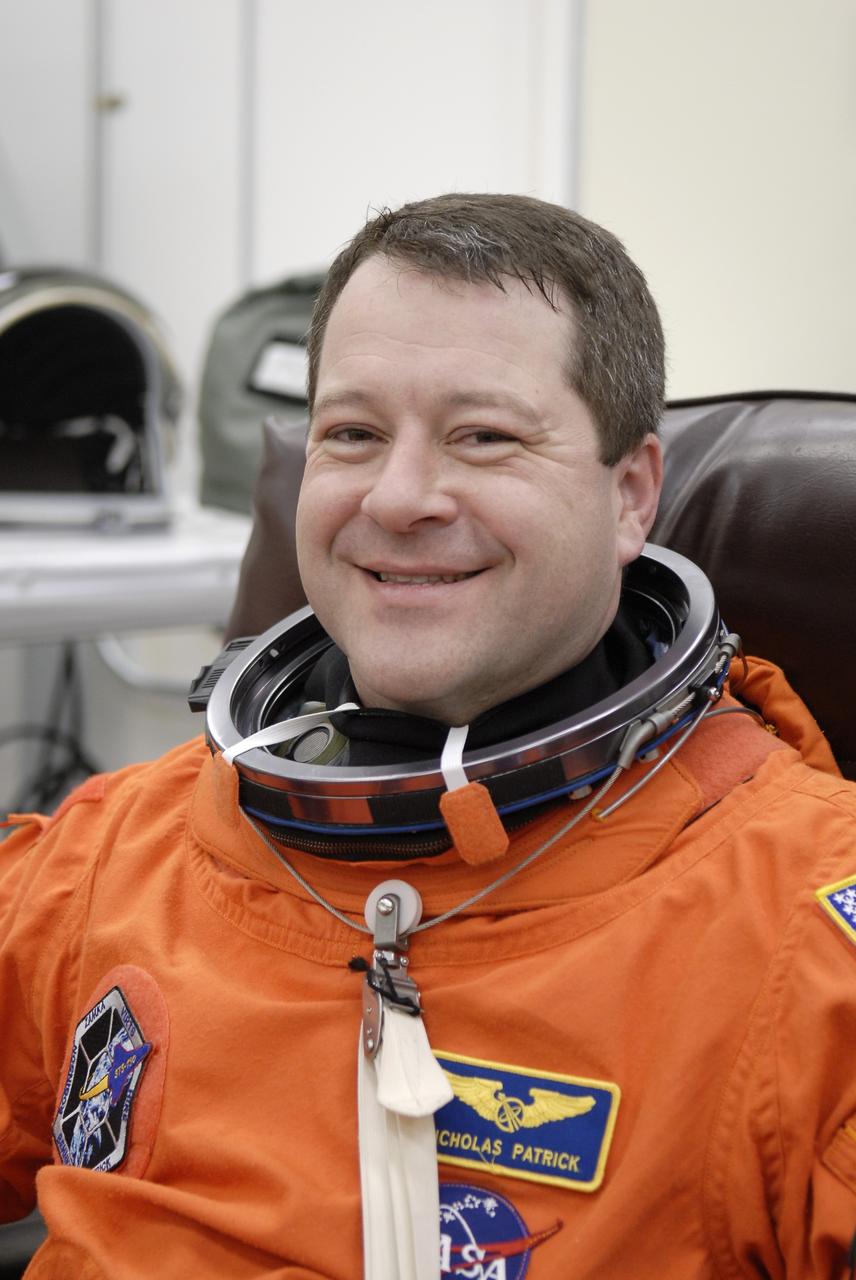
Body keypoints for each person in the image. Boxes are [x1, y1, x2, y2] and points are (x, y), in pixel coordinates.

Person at [2, 192, 856, 1280]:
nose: (400, 496)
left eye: (483, 436)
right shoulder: (116, 854)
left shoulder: (801, 946)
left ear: (632, 491)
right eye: (351, 433)